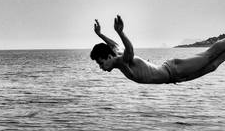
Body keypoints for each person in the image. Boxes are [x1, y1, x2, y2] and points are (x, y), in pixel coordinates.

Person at [90, 15, 225, 84]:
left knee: (209, 55)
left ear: (108, 57)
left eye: (101, 63)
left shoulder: (122, 61)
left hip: (173, 69)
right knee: (212, 66)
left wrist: (121, 32)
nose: (101, 67)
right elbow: (113, 44)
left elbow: (130, 51)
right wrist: (100, 34)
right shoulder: (116, 52)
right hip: (173, 77)